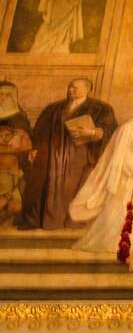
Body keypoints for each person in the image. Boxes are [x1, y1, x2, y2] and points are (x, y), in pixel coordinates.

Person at [69, 98, 133, 252]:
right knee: (120, 212)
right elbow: (119, 155)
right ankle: (112, 245)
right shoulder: (128, 128)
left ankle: (131, 246)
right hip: (127, 178)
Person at [16, 78, 117, 230]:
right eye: (70, 87)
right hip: (52, 154)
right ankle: (48, 221)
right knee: (45, 183)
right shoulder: (54, 108)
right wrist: (35, 148)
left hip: (80, 154)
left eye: (75, 88)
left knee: (73, 188)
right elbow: (40, 130)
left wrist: (92, 132)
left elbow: (110, 130)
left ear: (87, 89)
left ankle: (70, 221)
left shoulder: (101, 108)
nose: (70, 90)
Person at [0, 126, 24, 223]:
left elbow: (16, 182)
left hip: (10, 193)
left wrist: (7, 197)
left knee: (16, 206)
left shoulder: (14, 156)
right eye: (0, 136)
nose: (4, 138)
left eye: (7, 135)